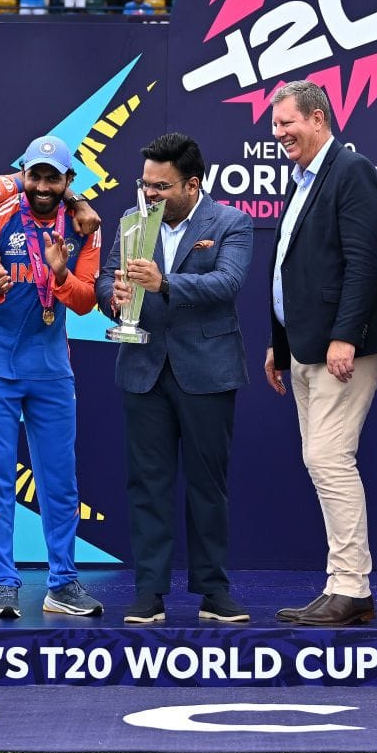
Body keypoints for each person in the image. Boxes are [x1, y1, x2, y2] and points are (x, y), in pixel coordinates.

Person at [95, 133, 253, 623]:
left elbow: (227, 283)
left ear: (192, 184)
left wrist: (163, 283)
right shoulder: (130, 222)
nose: (151, 195)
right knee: (147, 484)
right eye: (146, 185)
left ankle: (213, 590)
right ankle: (149, 591)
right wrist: (114, 296)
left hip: (207, 370)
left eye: (161, 187)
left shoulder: (231, 222)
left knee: (208, 485)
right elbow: (106, 277)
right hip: (143, 369)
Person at [265, 80, 377, 628]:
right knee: (321, 460)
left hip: (348, 346)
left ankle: (351, 586)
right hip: (305, 346)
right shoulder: (303, 178)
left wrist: (346, 334)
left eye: (287, 123)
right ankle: (341, 584)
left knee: (327, 458)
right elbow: (294, 267)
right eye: (274, 126)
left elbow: (364, 262)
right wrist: (281, 343)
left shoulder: (352, 170)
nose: (279, 134)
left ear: (318, 118)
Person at [0, 135, 105, 619]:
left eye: (53, 177)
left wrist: (61, 275)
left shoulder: (85, 227)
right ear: (23, 175)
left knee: (59, 481)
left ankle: (62, 583)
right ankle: (3, 583)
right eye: (35, 176)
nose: (42, 186)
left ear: (68, 182)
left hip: (50, 372)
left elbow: (86, 301)